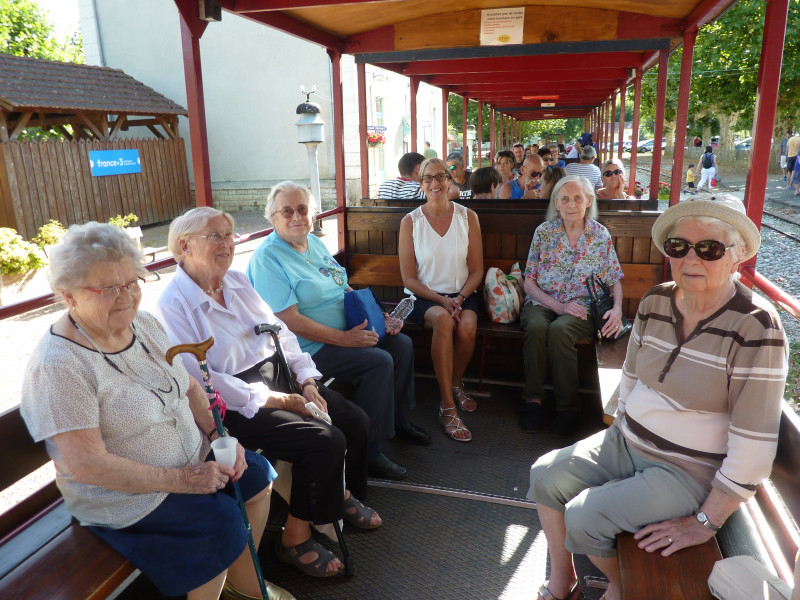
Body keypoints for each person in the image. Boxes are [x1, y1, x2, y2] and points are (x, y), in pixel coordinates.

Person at [527, 197, 787, 600]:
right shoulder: (655, 302)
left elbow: (754, 446)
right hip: (625, 442)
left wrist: (705, 521)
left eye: (710, 248)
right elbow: (630, 379)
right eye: (679, 246)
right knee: (544, 474)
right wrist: (619, 437)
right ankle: (564, 581)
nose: (691, 258)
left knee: (585, 516)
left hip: (685, 470)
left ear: (736, 257)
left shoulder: (756, 326)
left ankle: (622, 585)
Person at [19, 222, 292, 600]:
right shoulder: (59, 366)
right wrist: (183, 480)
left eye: (132, 282)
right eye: (107, 288)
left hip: (191, 461)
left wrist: (219, 436)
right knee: (216, 522)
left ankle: (243, 587)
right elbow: (88, 466)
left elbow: (191, 387)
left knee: (257, 477)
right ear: (68, 296)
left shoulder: (143, 324)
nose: (125, 297)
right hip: (122, 496)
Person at [156, 207, 382, 579]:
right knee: (324, 440)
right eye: (218, 236)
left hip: (280, 378)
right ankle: (294, 536)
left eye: (231, 235)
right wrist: (278, 399)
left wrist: (307, 380)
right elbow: (201, 377)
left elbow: (280, 332)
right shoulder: (173, 304)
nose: (229, 244)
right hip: (235, 404)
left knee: (354, 421)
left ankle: (336, 494)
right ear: (185, 245)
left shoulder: (238, 282)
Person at [247, 181, 428, 482]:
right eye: (287, 211)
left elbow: (341, 286)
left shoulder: (313, 243)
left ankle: (396, 419)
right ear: (273, 217)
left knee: (401, 345)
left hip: (345, 331)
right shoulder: (268, 258)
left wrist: (375, 317)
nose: (296, 217)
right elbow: (289, 321)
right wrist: (346, 339)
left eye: (302, 210)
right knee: (378, 360)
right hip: (309, 347)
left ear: (312, 214)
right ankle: (367, 451)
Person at [519, 175, 623, 437]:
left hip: (582, 308)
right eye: (564, 198)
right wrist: (556, 305)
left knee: (560, 331)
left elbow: (614, 280)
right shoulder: (544, 232)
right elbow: (529, 282)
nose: (571, 204)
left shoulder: (599, 235)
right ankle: (533, 400)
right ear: (556, 202)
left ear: (588, 201)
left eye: (578, 198)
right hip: (542, 300)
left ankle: (567, 408)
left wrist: (617, 310)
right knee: (536, 327)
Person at [398, 158, 483, 442]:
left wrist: (458, 297)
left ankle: (456, 382)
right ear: (420, 185)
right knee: (444, 320)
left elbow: (477, 270)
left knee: (468, 325)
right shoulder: (410, 222)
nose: (435, 183)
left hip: (461, 294)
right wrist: (441, 300)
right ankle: (447, 405)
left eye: (441, 177)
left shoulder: (468, 217)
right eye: (428, 179)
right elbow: (409, 279)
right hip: (424, 298)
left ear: (451, 180)